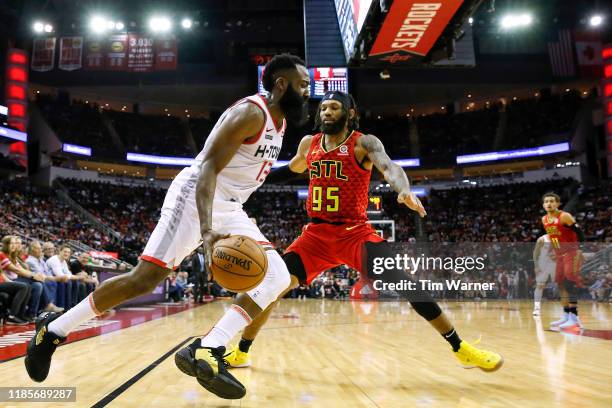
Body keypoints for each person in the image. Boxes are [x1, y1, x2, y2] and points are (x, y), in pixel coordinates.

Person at [26, 53, 310, 400]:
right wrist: (207, 231)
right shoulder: (251, 113)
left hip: (230, 206)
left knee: (278, 275)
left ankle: (207, 349)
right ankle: (52, 331)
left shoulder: (279, 123)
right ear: (281, 85)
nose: (309, 90)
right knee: (144, 279)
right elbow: (207, 170)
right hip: (195, 197)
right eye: (303, 84)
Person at [223, 91, 503, 375]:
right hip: (315, 237)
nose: (326, 112)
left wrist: (403, 189)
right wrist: (248, 179)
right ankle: (241, 352)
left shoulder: (363, 143)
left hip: (355, 234)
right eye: (323, 108)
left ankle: (461, 348)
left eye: (334, 107)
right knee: (269, 287)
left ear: (350, 113)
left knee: (407, 284)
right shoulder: (310, 144)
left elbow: (390, 167)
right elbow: (289, 170)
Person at [541, 193, 585, 330]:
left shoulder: (565, 216)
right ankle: (566, 315)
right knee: (560, 283)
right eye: (546, 201)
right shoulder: (545, 219)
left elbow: (579, 233)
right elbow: (553, 236)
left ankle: (575, 318)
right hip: (559, 254)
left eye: (552, 201)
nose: (549, 203)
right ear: (543, 205)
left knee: (569, 282)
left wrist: (580, 248)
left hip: (571, 252)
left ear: (558, 203)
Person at [25, 240, 63, 313]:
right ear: (32, 250)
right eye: (39, 248)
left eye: (40, 248)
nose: (41, 250)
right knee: (45, 282)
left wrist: (53, 278)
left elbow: (47, 273)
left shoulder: (40, 259)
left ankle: (53, 306)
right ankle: (47, 306)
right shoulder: (30, 261)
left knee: (53, 282)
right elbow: (40, 275)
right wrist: (55, 278)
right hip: (34, 280)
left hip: (41, 278)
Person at [532, 234, 556, 316]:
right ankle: (537, 309)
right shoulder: (542, 239)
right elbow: (535, 253)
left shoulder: (561, 238)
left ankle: (567, 311)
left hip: (555, 264)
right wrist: (536, 266)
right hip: (543, 265)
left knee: (562, 286)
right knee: (539, 286)